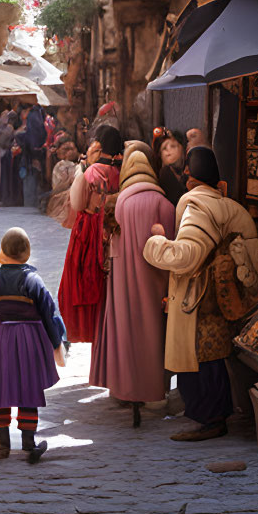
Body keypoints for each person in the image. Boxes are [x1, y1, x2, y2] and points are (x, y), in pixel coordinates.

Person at [144, 146, 258, 442]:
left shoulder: (198, 206)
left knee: (198, 358)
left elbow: (187, 255)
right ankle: (216, 415)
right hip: (226, 298)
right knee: (212, 356)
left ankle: (212, 420)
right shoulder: (230, 206)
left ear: (189, 177)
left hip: (200, 300)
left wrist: (156, 242)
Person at [89, 143, 174, 427]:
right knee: (154, 334)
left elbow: (110, 247)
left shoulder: (119, 202)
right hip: (156, 282)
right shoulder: (163, 204)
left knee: (126, 333)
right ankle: (154, 394)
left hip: (123, 281)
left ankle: (124, 389)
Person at [0, 227, 66, 464]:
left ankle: (2, 445)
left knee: (2, 391)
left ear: (2, 251)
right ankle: (29, 444)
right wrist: (57, 342)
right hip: (30, 340)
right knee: (28, 390)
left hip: (1, 340)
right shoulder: (33, 280)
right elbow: (50, 313)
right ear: (27, 253)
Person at [58, 127, 123, 344]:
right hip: (113, 229)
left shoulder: (92, 172)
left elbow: (77, 203)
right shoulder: (122, 172)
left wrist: (82, 170)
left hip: (89, 226)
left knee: (78, 280)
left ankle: (82, 328)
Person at [44, 140, 79, 226]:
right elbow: (61, 186)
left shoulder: (76, 164)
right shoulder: (61, 165)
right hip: (60, 199)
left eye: (72, 149)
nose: (70, 152)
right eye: (66, 149)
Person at [155, 129, 188, 206]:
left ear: (182, 148)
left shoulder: (190, 169)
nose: (168, 151)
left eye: (173, 146)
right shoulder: (164, 175)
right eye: (164, 149)